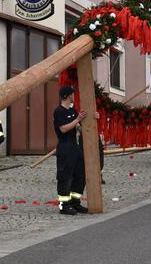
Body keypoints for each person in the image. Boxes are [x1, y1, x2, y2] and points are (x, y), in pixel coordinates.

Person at [54, 85, 97, 215]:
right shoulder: (59, 111)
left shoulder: (73, 111)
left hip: (74, 146)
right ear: (67, 96)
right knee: (65, 177)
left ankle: (75, 203)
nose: (74, 96)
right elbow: (63, 129)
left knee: (80, 175)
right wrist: (77, 119)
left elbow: (78, 127)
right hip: (64, 147)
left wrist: (93, 118)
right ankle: (64, 205)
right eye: (72, 94)